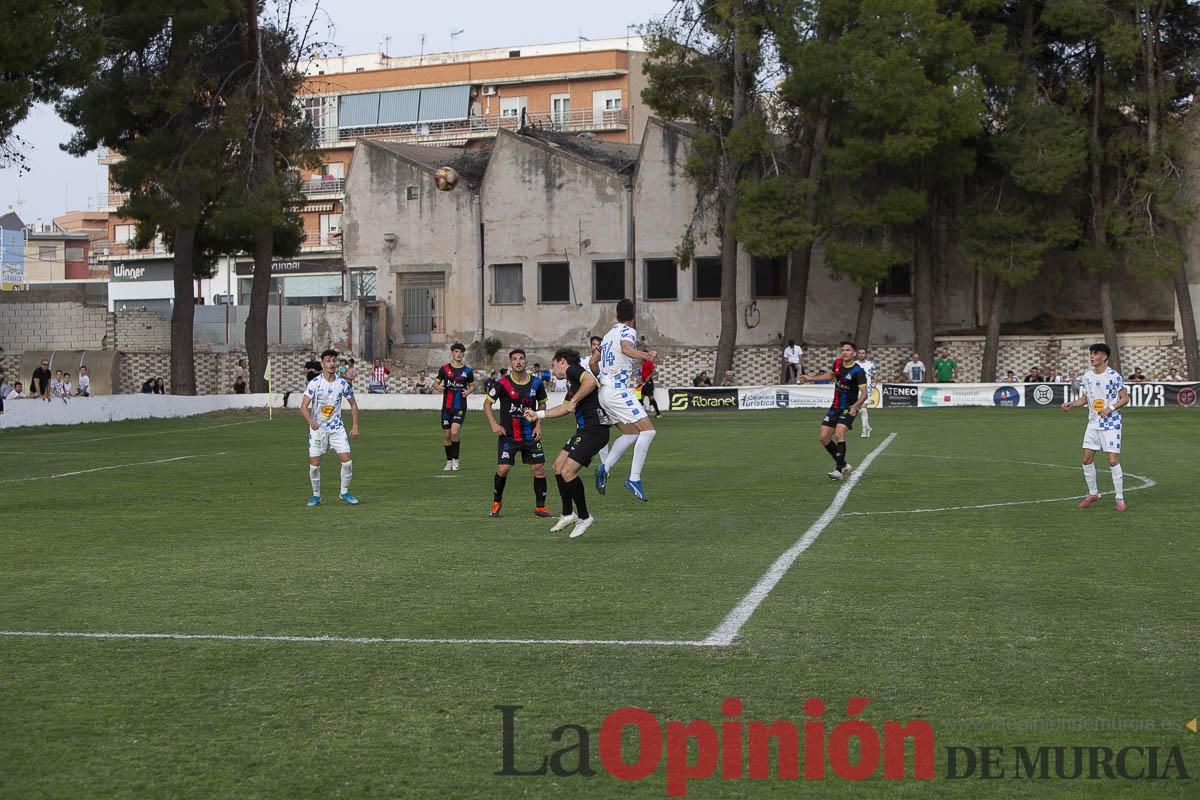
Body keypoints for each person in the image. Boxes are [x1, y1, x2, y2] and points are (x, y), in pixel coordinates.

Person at [525, 348, 610, 539]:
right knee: (557, 467)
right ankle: (567, 513)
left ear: (561, 361)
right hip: (585, 431)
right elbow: (565, 408)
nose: (552, 370)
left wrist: (575, 400)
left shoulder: (573, 370)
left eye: (553, 365)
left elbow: (590, 382)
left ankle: (584, 517)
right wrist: (538, 414)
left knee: (568, 472)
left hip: (595, 430)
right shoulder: (572, 383)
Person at [592, 298, 658, 502]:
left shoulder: (607, 335)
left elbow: (594, 362)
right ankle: (634, 479)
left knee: (630, 434)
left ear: (616, 315)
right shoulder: (627, 331)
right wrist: (647, 355)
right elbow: (626, 349)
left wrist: (603, 376)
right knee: (648, 431)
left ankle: (605, 467)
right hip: (618, 391)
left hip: (604, 392)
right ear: (633, 316)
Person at [1061, 342, 1129, 511]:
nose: (1092, 356)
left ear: (1104, 356)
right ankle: (1093, 494)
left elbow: (1124, 398)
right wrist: (1071, 404)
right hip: (1093, 424)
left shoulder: (1114, 376)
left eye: (1096, 353)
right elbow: (1084, 399)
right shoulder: (1087, 376)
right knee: (1086, 459)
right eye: (1091, 353)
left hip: (1111, 424)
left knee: (1112, 460)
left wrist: (1110, 408)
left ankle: (1120, 499)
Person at [484, 348, 550, 517]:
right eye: (515, 359)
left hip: (530, 434)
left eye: (521, 359)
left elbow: (542, 404)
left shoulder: (536, 383)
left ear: (525, 362)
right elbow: (487, 404)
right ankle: (496, 502)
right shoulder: (503, 383)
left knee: (539, 468)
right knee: (503, 469)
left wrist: (538, 425)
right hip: (509, 435)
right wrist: (493, 424)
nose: (518, 361)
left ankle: (540, 507)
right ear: (510, 363)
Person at [799, 341, 868, 480]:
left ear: (854, 353)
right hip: (835, 406)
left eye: (848, 350)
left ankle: (838, 471)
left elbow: (864, 393)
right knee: (824, 437)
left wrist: (855, 406)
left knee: (839, 433)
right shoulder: (837, 363)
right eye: (842, 350)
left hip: (848, 408)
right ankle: (842, 464)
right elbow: (831, 375)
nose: (844, 352)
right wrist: (811, 378)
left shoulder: (858, 371)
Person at [300, 348, 360, 506]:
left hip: (337, 429)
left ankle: (344, 492)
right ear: (322, 363)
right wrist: (311, 422)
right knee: (314, 465)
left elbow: (353, 404)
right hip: (318, 430)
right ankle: (316, 495)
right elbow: (303, 406)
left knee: (347, 461)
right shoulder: (314, 383)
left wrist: (355, 426)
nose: (332, 363)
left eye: (334, 360)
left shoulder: (342, 384)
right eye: (328, 360)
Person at [434, 342, 475, 471]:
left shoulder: (467, 371)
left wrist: (468, 392)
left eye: (461, 352)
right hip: (446, 407)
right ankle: (449, 461)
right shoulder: (444, 369)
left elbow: (473, 385)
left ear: (463, 354)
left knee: (454, 431)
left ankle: (456, 460)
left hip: (460, 407)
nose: (459, 354)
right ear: (452, 353)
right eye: (456, 352)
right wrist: (438, 387)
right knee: (447, 436)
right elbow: (435, 383)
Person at [855, 347, 876, 439]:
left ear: (866, 354)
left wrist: (874, 383)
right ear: (857, 354)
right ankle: (868, 427)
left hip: (866, 389)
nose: (861, 354)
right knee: (861, 409)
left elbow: (874, 374)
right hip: (856, 389)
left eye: (863, 353)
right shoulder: (854, 364)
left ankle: (864, 430)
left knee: (863, 408)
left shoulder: (870, 364)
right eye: (860, 353)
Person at [638, 352, 661, 418]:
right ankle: (642, 412)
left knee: (651, 398)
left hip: (648, 382)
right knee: (639, 397)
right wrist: (641, 380)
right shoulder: (643, 364)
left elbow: (654, 371)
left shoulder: (649, 362)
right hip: (644, 382)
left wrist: (648, 377)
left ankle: (658, 413)